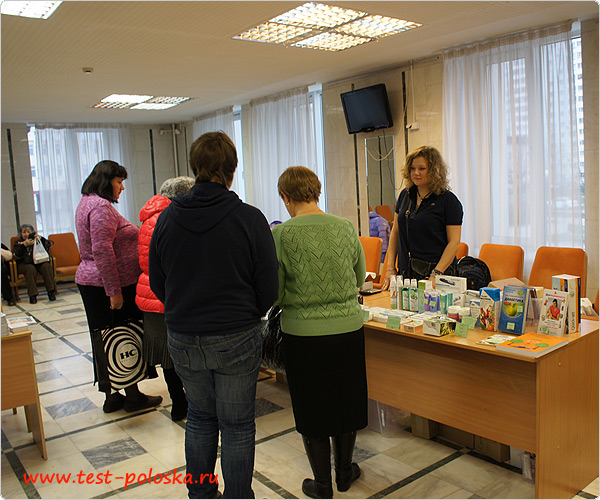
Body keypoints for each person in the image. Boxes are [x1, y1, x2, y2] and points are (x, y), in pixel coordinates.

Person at [149, 131, 278, 499]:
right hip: (236, 333)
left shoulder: (167, 221)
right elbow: (268, 286)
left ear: (195, 168)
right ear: (232, 170)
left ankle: (201, 495)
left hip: (185, 336)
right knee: (237, 426)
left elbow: (159, 283)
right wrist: (247, 315)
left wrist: (184, 310)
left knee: (201, 419)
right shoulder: (249, 219)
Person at [271, 166, 367, 499]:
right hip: (348, 328)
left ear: (285, 197)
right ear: (317, 191)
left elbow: (276, 292)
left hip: (303, 334)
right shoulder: (345, 227)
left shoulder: (282, 235)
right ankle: (344, 473)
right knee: (347, 400)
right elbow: (359, 278)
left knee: (313, 406)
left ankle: (322, 484)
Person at [75, 160, 162, 414]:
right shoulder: (100, 207)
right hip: (109, 285)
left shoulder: (86, 202)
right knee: (123, 335)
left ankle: (112, 396)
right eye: (119, 182)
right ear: (106, 181)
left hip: (94, 282)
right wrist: (113, 291)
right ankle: (133, 396)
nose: (122, 188)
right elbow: (102, 250)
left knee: (103, 337)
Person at [136, 176, 195, 421]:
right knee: (182, 354)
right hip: (170, 294)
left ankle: (178, 402)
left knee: (166, 357)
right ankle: (187, 402)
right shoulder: (173, 218)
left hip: (149, 293)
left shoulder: (150, 217)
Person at [383, 146, 463, 288]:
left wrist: (436, 274)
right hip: (406, 271)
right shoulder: (405, 195)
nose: (416, 173)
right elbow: (395, 231)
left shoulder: (448, 201)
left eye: (422, 168)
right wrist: (390, 267)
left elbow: (454, 242)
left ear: (433, 170)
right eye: (412, 168)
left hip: (436, 272)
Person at [12, 224, 56, 304]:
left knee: (46, 266)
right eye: (24, 232)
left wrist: (41, 239)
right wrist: (24, 245)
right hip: (24, 264)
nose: (26, 234)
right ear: (20, 234)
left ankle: (51, 292)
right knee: (30, 269)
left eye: (28, 232)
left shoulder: (37, 239)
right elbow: (16, 255)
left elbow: (49, 245)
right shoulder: (18, 242)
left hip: (39, 261)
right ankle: (33, 295)